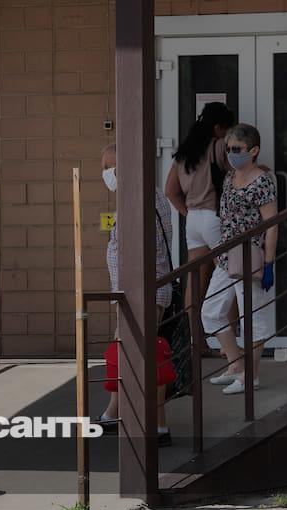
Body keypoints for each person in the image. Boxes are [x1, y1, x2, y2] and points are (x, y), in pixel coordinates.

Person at [99, 144, 175, 447]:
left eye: (111, 168)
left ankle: (157, 425)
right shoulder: (140, 195)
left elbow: (139, 249)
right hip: (135, 291)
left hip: (141, 292)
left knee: (144, 356)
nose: (107, 174)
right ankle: (114, 413)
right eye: (105, 168)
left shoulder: (139, 198)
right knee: (126, 352)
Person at [201, 124, 278, 394]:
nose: (232, 153)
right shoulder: (229, 177)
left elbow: (271, 223)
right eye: (229, 148)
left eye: (238, 149)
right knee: (210, 312)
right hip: (226, 256)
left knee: (253, 318)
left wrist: (269, 263)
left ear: (253, 151)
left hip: (250, 255)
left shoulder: (262, 180)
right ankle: (236, 365)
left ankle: (250, 377)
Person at [165, 103, 236, 333]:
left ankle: (194, 339)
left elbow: (170, 191)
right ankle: (230, 337)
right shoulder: (219, 146)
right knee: (229, 277)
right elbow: (238, 175)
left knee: (195, 281)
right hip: (215, 217)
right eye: (226, 129)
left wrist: (189, 213)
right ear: (218, 127)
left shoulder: (184, 153)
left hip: (193, 221)